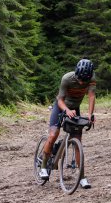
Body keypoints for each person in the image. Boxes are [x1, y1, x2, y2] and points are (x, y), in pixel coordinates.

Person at [39, 58, 96, 189]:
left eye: (84, 81)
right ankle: (43, 166)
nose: (82, 82)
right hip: (61, 107)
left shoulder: (92, 78)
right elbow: (60, 100)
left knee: (77, 142)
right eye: (80, 79)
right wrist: (66, 110)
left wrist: (90, 114)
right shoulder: (67, 79)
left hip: (74, 108)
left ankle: (82, 178)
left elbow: (91, 96)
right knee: (53, 135)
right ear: (76, 74)